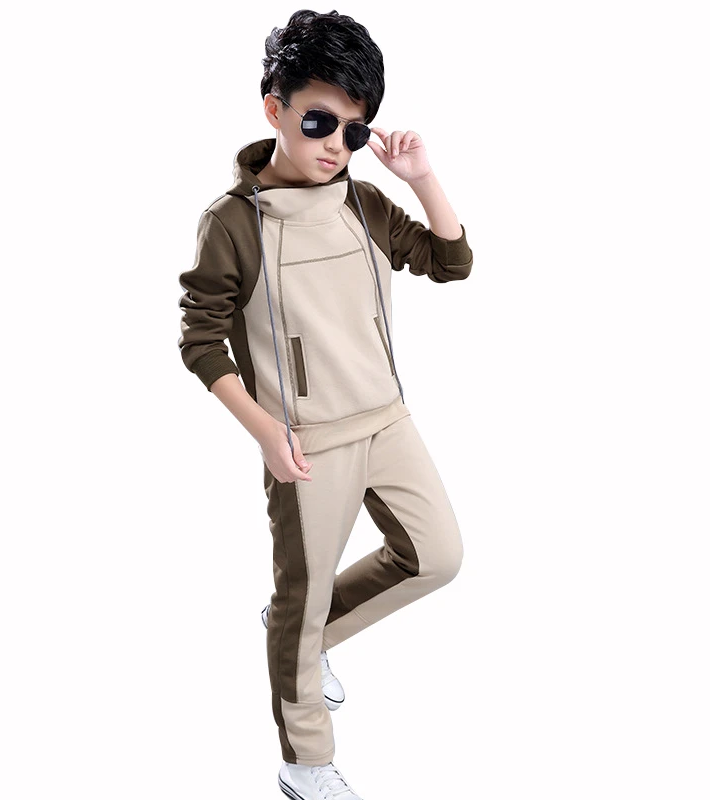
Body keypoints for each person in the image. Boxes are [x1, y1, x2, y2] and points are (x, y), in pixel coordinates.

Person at [177, 9, 473, 799]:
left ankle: (299, 633)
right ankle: (305, 763)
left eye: (354, 129)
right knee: (299, 608)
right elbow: (200, 341)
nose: (335, 144)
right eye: (318, 121)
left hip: (387, 421)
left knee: (436, 556)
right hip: (305, 442)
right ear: (273, 107)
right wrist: (265, 431)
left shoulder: (363, 202)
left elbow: (451, 261)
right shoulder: (232, 224)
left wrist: (419, 178)